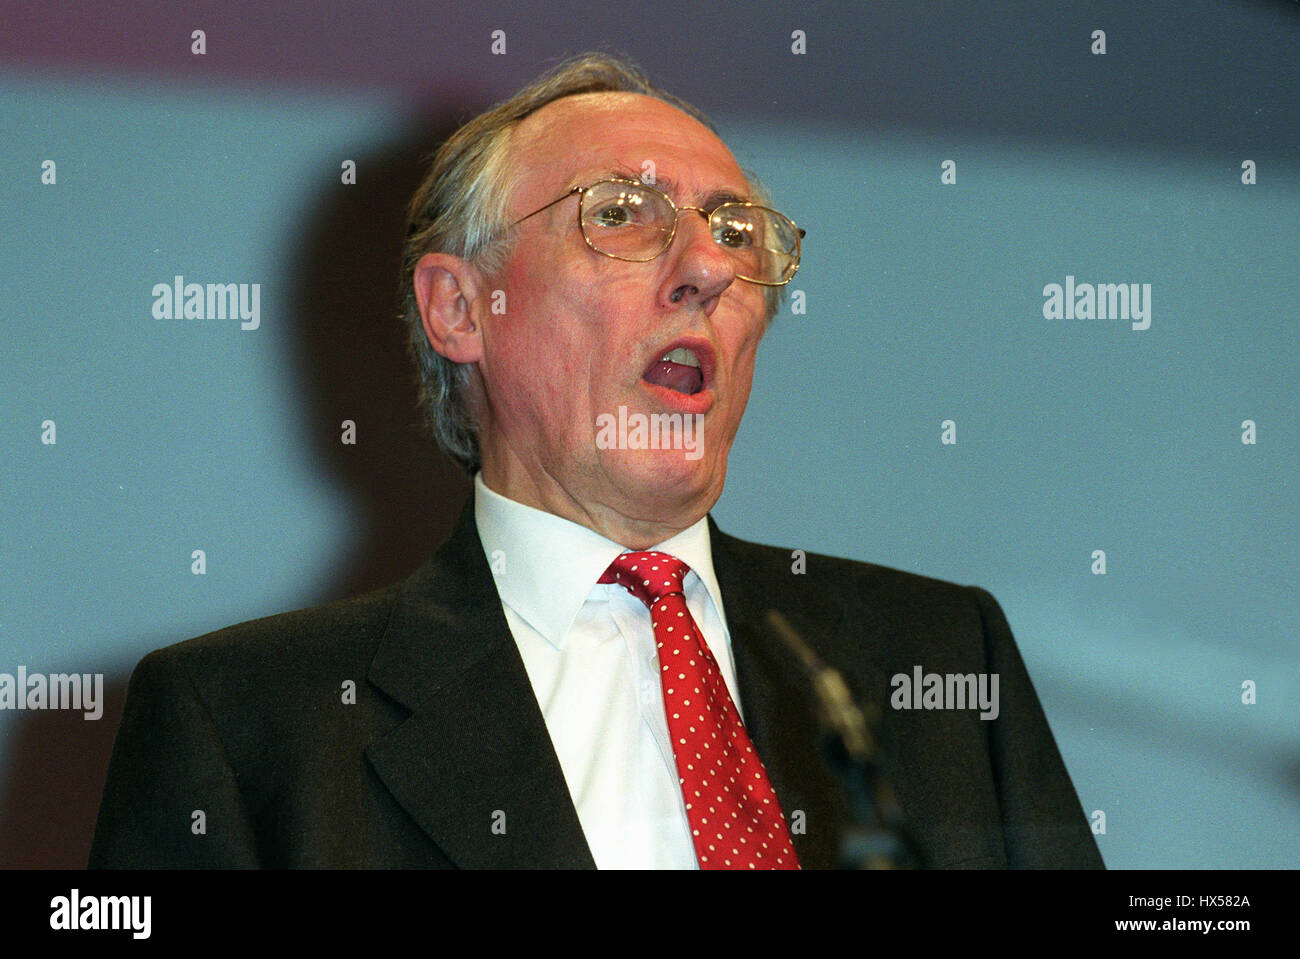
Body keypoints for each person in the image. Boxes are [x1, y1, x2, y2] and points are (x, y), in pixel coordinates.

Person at [90, 53, 1102, 869]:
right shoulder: (248, 722)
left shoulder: (939, 654)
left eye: (737, 231)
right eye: (620, 214)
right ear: (459, 307)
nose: (708, 265)